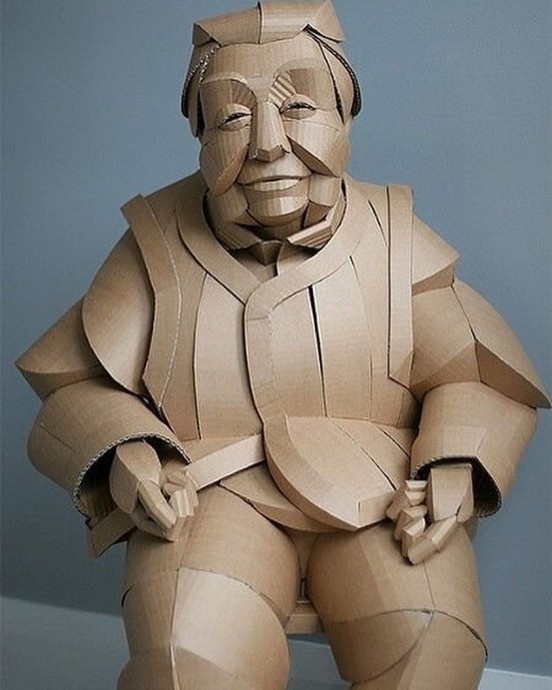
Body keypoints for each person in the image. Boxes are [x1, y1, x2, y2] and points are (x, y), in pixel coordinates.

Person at [17, 3, 549, 689]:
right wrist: (127, 451)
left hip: (383, 497)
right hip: (209, 497)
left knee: (431, 643)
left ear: (344, 116)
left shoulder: (393, 237)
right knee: (187, 660)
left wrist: (454, 461)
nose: (268, 144)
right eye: (232, 117)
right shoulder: (155, 243)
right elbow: (75, 381)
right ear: (200, 134)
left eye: (298, 105)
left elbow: (472, 370)